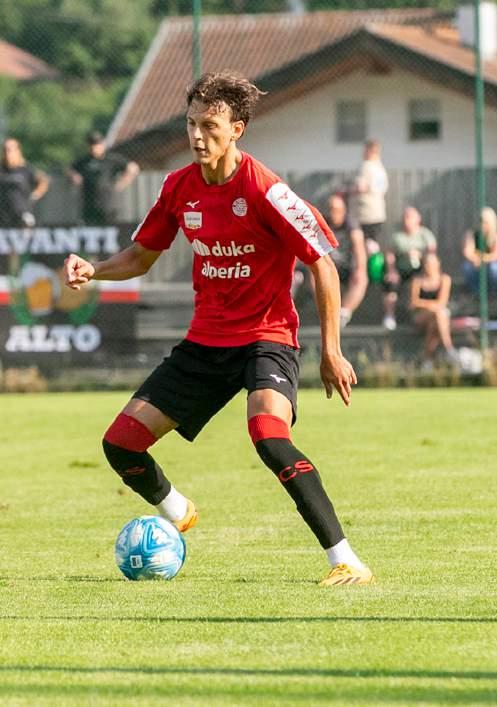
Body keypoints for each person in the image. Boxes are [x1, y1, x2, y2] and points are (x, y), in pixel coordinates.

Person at [64, 71, 373, 587]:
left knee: (269, 437)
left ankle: (346, 560)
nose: (197, 135)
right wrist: (94, 270)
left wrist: (331, 350)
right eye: (191, 124)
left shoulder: (267, 190)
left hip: (266, 339)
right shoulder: (178, 188)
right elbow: (141, 256)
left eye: (210, 125)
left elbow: (322, 263)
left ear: (237, 129)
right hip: (205, 343)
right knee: (120, 444)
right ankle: (177, 510)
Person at [382, 206, 437, 331]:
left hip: (420, 270)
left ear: (418, 219)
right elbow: (390, 254)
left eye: (409, 217)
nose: (406, 220)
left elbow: (432, 254)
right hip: (401, 270)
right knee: (390, 282)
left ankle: (419, 314)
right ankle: (389, 316)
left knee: (423, 283)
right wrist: (392, 270)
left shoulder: (425, 235)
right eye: (405, 217)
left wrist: (420, 255)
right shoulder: (397, 236)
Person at [68, 130, 140, 225]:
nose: (94, 147)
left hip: (108, 204)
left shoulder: (112, 159)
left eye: (97, 144)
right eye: (91, 144)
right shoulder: (84, 160)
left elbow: (133, 168)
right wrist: (74, 176)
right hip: (89, 204)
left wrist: (122, 183)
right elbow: (70, 168)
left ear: (103, 144)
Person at [409, 252, 458, 368]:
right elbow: (413, 303)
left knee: (435, 322)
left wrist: (424, 304)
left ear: (438, 264)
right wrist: (431, 306)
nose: (428, 266)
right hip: (421, 317)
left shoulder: (444, 279)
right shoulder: (417, 281)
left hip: (436, 317)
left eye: (431, 263)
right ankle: (449, 349)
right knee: (439, 314)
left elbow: (442, 302)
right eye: (426, 263)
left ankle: (427, 359)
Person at [327, 193, 368, 328]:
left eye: (337, 210)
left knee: (361, 278)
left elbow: (359, 248)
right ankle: (327, 311)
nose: (333, 214)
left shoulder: (351, 225)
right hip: (330, 268)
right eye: (331, 209)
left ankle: (344, 313)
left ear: (344, 211)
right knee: (313, 275)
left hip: (348, 267)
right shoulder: (324, 223)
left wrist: (360, 269)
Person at [0, 137, 50, 228]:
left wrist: (35, 195)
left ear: (18, 151)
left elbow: (44, 180)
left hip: (22, 214)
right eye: (5, 150)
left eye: (10, 150)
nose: (7, 153)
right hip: (3, 215)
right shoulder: (2, 169)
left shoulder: (26, 169)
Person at [348, 139, 389, 251]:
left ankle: (368, 262)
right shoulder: (380, 168)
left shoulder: (366, 166)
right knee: (373, 244)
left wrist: (348, 190)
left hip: (365, 213)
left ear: (369, 151)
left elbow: (361, 187)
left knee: (364, 246)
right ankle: (376, 262)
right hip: (378, 212)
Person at [462, 207, 497, 294]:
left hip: (490, 263)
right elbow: (467, 252)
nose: (482, 224)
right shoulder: (472, 234)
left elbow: (495, 255)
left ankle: (493, 292)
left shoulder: (494, 235)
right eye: (480, 221)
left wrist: (482, 259)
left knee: (493, 268)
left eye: (485, 222)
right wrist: (475, 259)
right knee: (466, 267)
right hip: (476, 263)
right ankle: (477, 293)